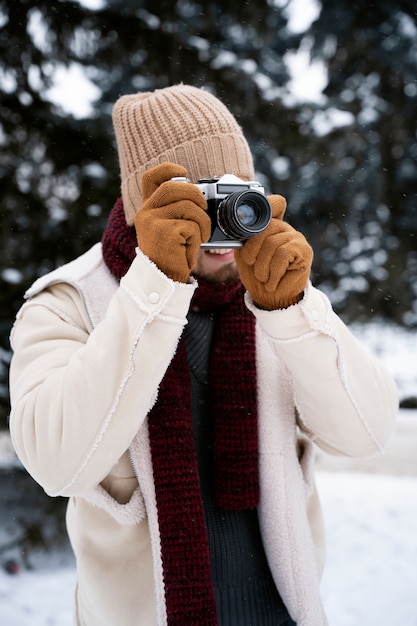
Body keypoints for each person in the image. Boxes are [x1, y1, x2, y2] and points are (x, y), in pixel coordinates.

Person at [9, 84, 398, 626]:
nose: (222, 229)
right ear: (147, 200)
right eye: (199, 200)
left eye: (233, 196)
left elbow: (367, 433)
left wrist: (293, 311)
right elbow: (57, 464)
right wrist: (156, 285)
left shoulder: (267, 292)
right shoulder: (69, 302)